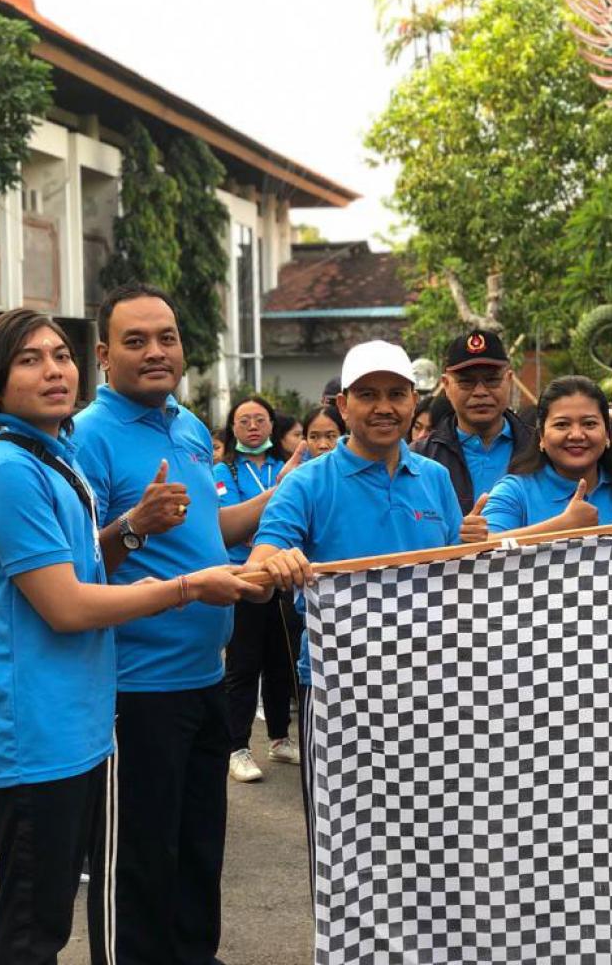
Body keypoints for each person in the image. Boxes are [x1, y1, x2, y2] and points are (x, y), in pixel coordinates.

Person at [0, 309, 257, 965]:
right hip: (48, 725)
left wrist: (136, 529)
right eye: (29, 360)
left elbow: (88, 566)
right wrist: (188, 587)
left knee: (155, 871)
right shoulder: (8, 467)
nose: (54, 370)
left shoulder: (56, 456)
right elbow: (67, 605)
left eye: (58, 355)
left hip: (87, 718)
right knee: (41, 920)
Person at [73, 282, 305, 965]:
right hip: (134, 688)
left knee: (199, 852)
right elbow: (73, 567)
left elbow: (211, 529)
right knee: (140, 863)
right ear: (104, 355)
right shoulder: (87, 436)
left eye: (166, 338)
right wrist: (135, 526)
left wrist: (283, 492)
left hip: (207, 677)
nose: (155, 352)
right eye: (136, 341)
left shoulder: (190, 427)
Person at [247, 339, 464, 892]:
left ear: (414, 401)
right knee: (345, 848)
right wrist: (276, 562)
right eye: (367, 395)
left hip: (432, 686)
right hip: (338, 689)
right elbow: (256, 568)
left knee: (437, 840)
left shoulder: (435, 479)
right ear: (343, 405)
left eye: (396, 393)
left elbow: (457, 574)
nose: (383, 407)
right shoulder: (307, 482)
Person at [214, 396, 300, 783]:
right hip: (244, 578)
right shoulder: (224, 471)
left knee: (282, 661)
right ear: (232, 428)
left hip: (285, 577)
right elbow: (230, 523)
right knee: (244, 666)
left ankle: (280, 738)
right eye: (244, 420)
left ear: (272, 426)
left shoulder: (287, 468)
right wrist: (267, 534)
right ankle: (238, 747)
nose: (253, 426)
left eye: (260, 419)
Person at [461, 376, 612, 541]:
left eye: (589, 424)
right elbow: (486, 549)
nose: (577, 435)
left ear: (607, 435)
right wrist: (562, 526)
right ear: (541, 437)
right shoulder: (514, 493)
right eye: (562, 425)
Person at [413, 329, 532, 514]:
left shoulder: (540, 448)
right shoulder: (419, 458)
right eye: (466, 382)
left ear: (509, 380)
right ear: (446, 385)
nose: (480, 392)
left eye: (492, 380)